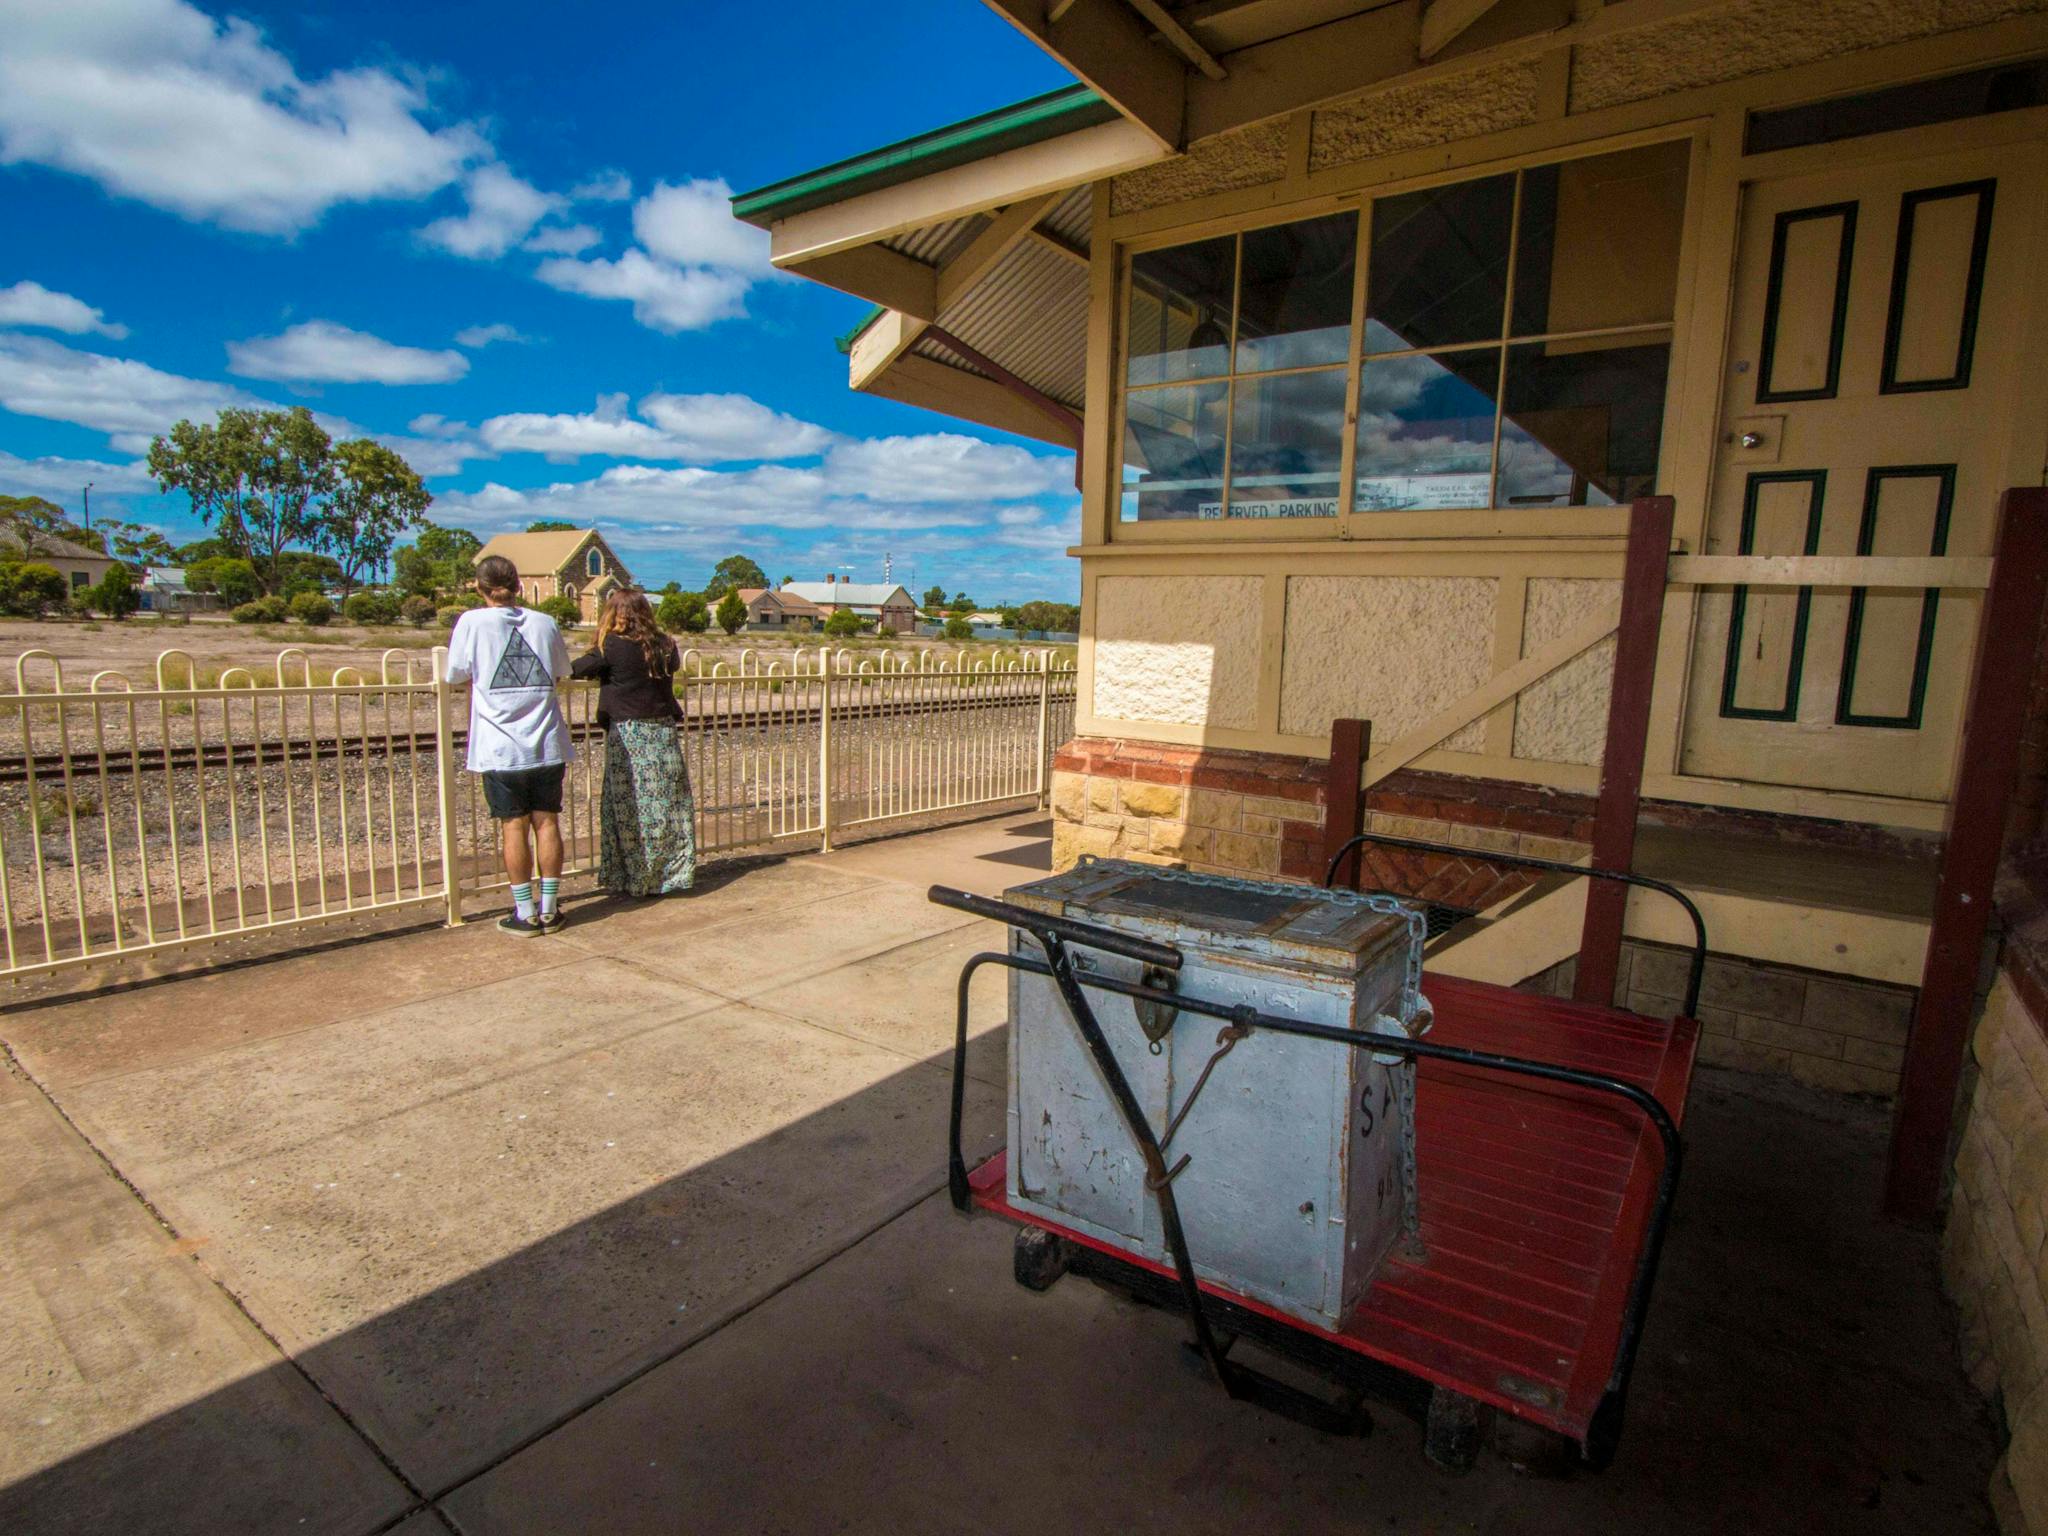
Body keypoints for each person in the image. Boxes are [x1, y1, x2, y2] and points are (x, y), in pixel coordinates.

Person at [444, 555, 572, 936]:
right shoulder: (545, 623)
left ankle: (524, 911)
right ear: (519, 585)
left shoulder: (471, 622)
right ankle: (549, 909)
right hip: (546, 740)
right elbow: (562, 670)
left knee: (513, 827)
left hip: (500, 746)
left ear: (480, 587)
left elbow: (454, 673)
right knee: (547, 823)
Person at [571, 588, 696, 898]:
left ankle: (637, 878)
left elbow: (577, 669)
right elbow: (671, 667)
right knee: (668, 806)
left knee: (631, 809)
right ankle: (671, 874)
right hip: (662, 731)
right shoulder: (665, 644)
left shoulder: (612, 645)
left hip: (629, 735)